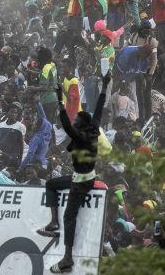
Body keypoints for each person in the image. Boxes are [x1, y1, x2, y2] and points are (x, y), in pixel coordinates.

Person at [37, 70, 110, 273]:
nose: (75, 122)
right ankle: (52, 223)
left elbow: (66, 123)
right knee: (51, 185)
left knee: (70, 217)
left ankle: (67, 258)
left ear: (80, 125)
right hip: (86, 177)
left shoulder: (79, 135)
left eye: (77, 121)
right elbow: (99, 108)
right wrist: (105, 86)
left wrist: (61, 101)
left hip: (80, 183)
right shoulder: (93, 129)